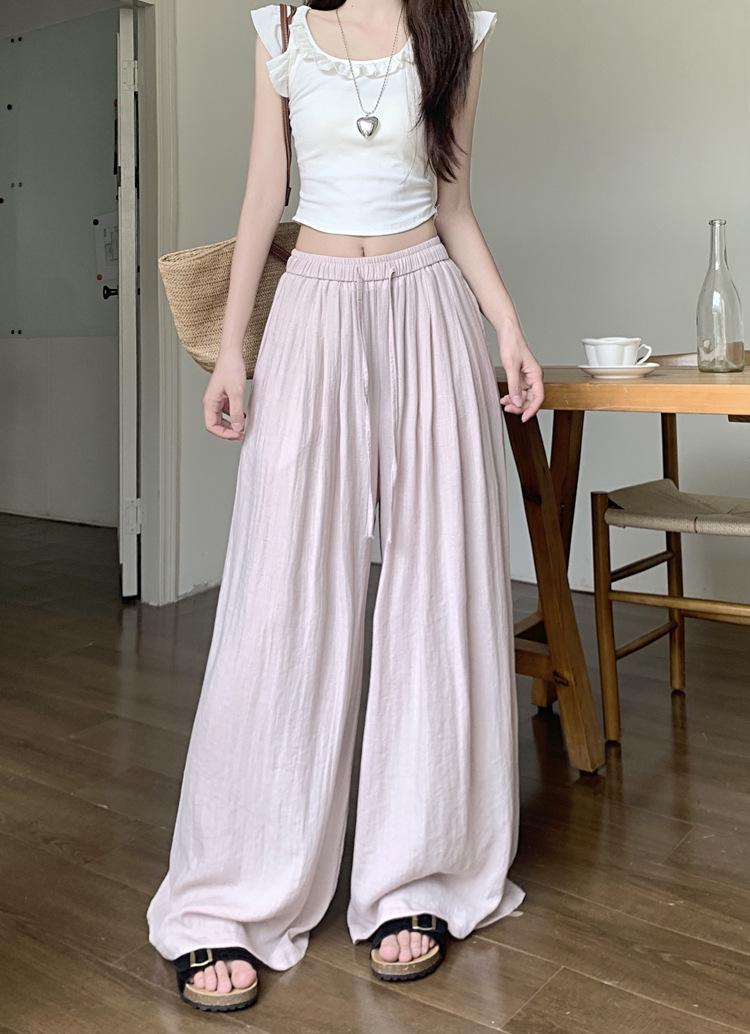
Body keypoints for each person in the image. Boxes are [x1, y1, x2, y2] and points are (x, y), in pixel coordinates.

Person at [146, 0, 544, 1013]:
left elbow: (454, 203)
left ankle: (419, 878)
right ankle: (232, 892)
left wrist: (506, 326)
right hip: (313, 309)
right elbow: (263, 192)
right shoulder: (279, 26)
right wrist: (232, 352)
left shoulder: (457, 30)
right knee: (277, 600)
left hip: (429, 305)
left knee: (439, 592)